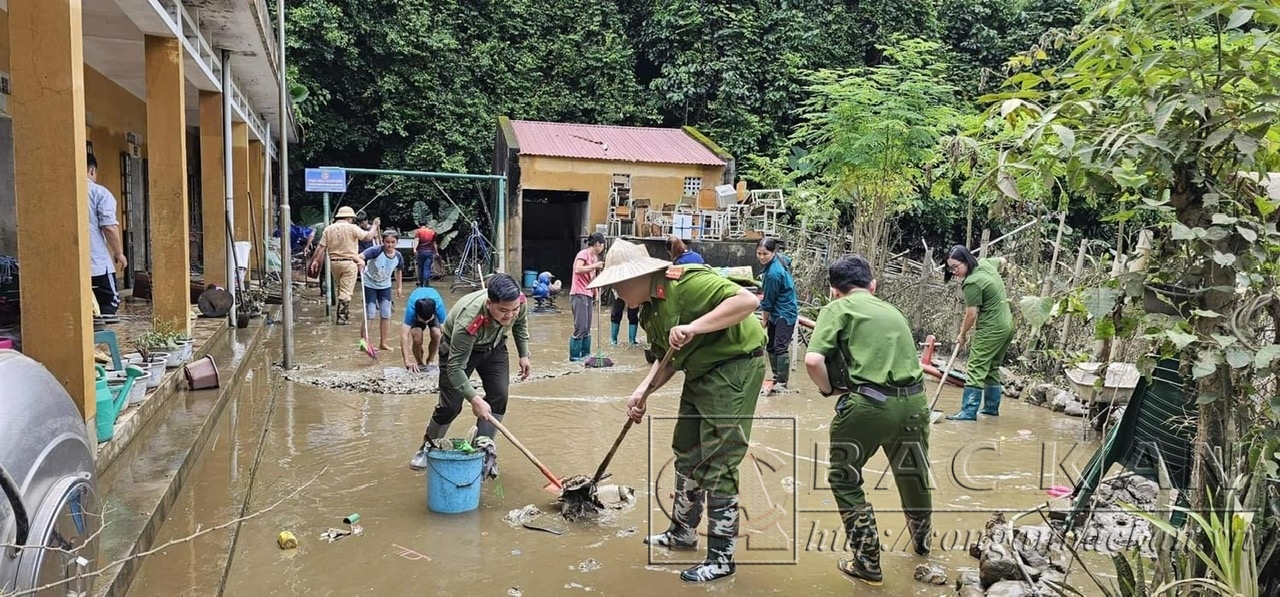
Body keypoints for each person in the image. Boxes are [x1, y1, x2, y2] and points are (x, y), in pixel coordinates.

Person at [589, 240, 766, 583]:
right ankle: (682, 532)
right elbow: (664, 360)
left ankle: (721, 558)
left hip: (735, 367)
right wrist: (643, 391)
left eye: (617, 286)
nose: (616, 294)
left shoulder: (687, 283)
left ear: (638, 277)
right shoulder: (648, 311)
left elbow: (746, 301)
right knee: (685, 450)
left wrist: (695, 327)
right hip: (700, 372)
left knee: (719, 459)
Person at [803, 254, 933, 585]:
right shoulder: (893, 311)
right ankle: (922, 543)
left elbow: (813, 360)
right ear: (872, 285)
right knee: (912, 472)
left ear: (834, 290)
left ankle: (867, 561)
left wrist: (828, 390)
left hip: (870, 406)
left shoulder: (837, 309)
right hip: (916, 403)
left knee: (844, 478)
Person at [408, 273, 532, 470]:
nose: (509, 315)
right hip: (458, 351)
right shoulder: (470, 320)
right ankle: (427, 447)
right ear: (489, 303)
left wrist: (524, 354)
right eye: (503, 310)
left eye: (514, 309)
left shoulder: (518, 302)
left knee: (499, 396)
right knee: (451, 406)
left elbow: (520, 324)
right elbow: (455, 367)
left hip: (494, 346)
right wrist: (475, 400)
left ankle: (483, 451)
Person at [943, 245, 1014, 420]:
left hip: (991, 329)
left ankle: (968, 412)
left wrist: (962, 334)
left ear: (966, 261)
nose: (953, 272)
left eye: (955, 267)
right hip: (1007, 325)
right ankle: (990, 409)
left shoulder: (972, 283)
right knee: (991, 367)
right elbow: (1003, 261)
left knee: (975, 367)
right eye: (950, 268)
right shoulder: (985, 263)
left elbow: (971, 314)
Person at [309, 206, 378, 325]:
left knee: (341, 288)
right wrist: (375, 226)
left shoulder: (328, 229)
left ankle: (345, 314)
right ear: (349, 218)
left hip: (334, 263)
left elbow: (321, 247)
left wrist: (315, 261)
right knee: (346, 291)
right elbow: (368, 237)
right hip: (349, 262)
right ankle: (342, 318)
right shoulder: (352, 228)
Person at [757, 238, 798, 394]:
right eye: (759, 253)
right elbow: (789, 261)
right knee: (771, 345)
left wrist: (764, 318)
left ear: (773, 252)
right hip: (781, 308)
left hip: (784, 312)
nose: (761, 257)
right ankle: (776, 376)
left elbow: (768, 300)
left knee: (780, 347)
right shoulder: (780, 260)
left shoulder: (773, 274)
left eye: (765, 254)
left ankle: (781, 382)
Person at [87, 153, 126, 315]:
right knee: (109, 303)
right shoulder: (99, 193)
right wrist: (119, 253)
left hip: (65, 264)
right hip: (96, 262)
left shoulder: (58, 194)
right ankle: (96, 338)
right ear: (92, 170)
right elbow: (109, 227)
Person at [356, 231, 404, 351]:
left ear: (397, 242)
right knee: (370, 314)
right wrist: (361, 261)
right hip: (369, 284)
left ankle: (383, 343)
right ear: (383, 242)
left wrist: (399, 287)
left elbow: (398, 271)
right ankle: (364, 343)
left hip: (385, 286)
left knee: (386, 314)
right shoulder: (375, 251)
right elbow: (357, 256)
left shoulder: (398, 256)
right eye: (387, 242)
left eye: (393, 242)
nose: (390, 245)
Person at [568, 232, 606, 361]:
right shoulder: (583, 254)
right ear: (597, 244)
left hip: (588, 293)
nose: (602, 249)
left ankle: (585, 355)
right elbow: (577, 269)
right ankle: (574, 357)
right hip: (578, 293)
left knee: (587, 327)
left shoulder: (594, 258)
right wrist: (595, 266)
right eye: (602, 245)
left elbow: (592, 277)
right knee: (581, 326)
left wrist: (596, 292)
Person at [401, 285, 448, 374]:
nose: (426, 322)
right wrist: (407, 361)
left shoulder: (439, 306)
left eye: (428, 320)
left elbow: (447, 332)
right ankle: (419, 362)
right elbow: (404, 335)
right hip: (418, 312)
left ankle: (430, 360)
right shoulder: (412, 309)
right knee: (417, 338)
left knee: (437, 334)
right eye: (423, 320)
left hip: (431, 312)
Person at [412, 221, 437, 287]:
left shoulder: (418, 231)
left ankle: (421, 284)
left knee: (421, 268)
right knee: (427, 268)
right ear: (427, 225)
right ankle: (426, 284)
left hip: (421, 252)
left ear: (418, 225)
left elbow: (417, 240)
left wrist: (414, 249)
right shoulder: (432, 232)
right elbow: (434, 243)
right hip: (429, 252)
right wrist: (436, 252)